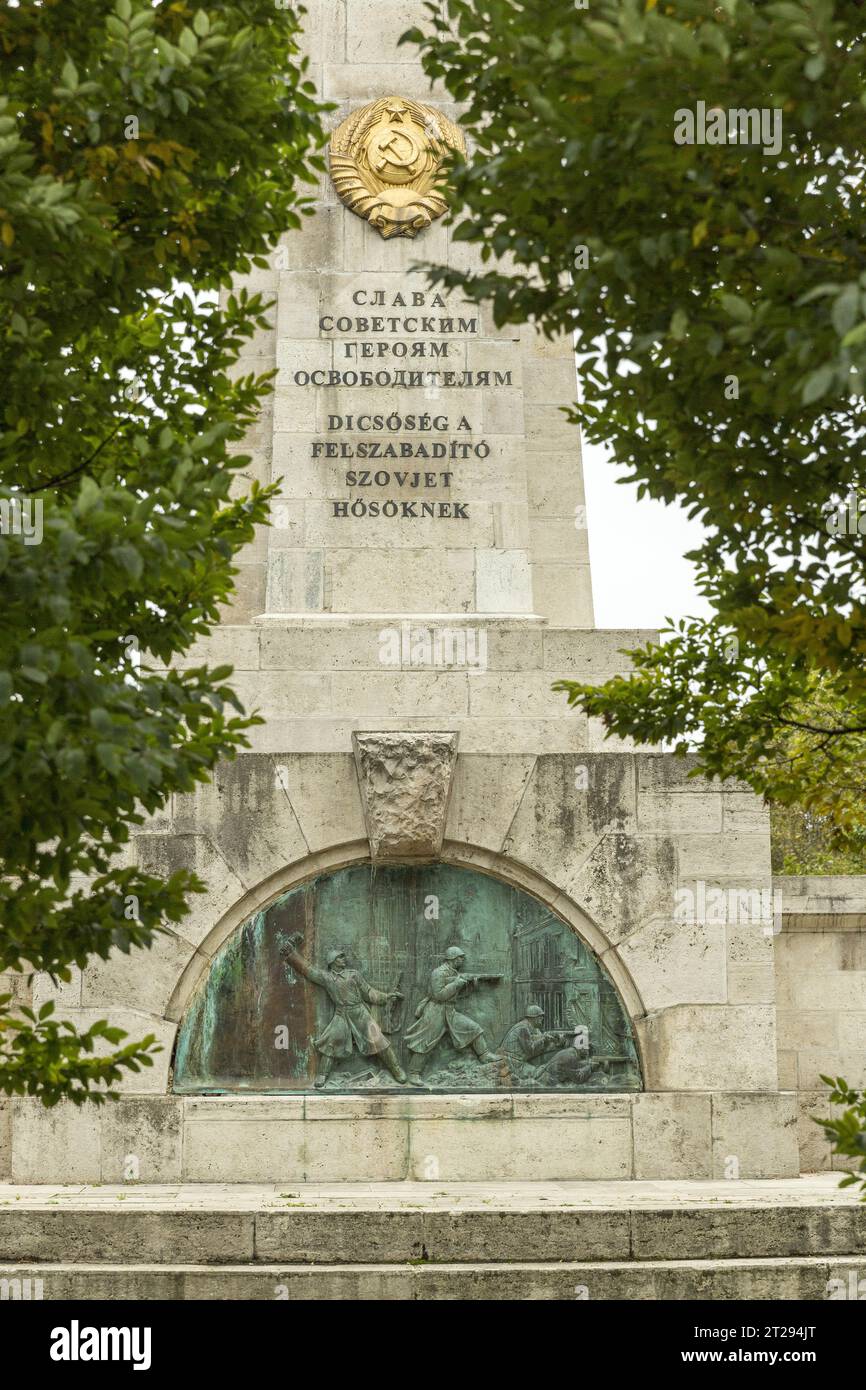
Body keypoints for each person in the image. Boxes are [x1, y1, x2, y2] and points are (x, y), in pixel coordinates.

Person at [282, 934, 406, 1088]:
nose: (343, 959)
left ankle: (396, 1069)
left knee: (378, 1040)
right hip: (342, 1014)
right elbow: (309, 970)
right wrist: (292, 955)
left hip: (360, 1013)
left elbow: (369, 993)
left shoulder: (353, 975)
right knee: (331, 1043)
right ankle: (322, 1075)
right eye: (340, 958)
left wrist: (386, 997)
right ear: (332, 962)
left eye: (343, 957)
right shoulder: (327, 978)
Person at [404, 946, 500, 1079]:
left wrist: (472, 983)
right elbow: (438, 995)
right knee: (425, 1042)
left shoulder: (454, 973)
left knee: (473, 1028)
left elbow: (458, 995)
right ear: (453, 959)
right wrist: (457, 984)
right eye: (461, 958)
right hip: (435, 1011)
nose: (463, 960)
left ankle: (484, 1055)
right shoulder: (438, 973)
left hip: (449, 1011)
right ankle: (414, 1073)